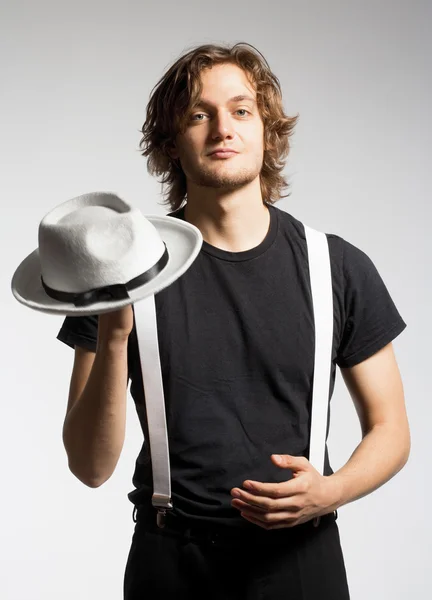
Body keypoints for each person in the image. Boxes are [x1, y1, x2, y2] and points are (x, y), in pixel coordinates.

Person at [57, 42, 410, 599]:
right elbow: (89, 465)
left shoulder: (335, 266)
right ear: (172, 143)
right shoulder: (122, 273)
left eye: (241, 111)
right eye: (200, 114)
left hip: (301, 561)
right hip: (171, 563)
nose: (223, 128)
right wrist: (116, 332)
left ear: (267, 130)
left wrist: (332, 490)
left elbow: (392, 429)